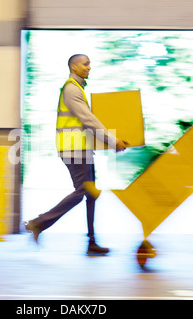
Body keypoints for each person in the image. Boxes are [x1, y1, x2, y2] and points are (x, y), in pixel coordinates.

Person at [25, 54, 128, 255]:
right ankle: (38, 223)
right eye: (86, 64)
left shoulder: (78, 88)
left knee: (91, 194)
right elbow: (88, 120)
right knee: (82, 191)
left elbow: (87, 122)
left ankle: (91, 242)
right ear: (74, 66)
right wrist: (112, 140)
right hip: (73, 149)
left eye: (90, 63)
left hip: (82, 148)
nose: (89, 67)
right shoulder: (71, 89)